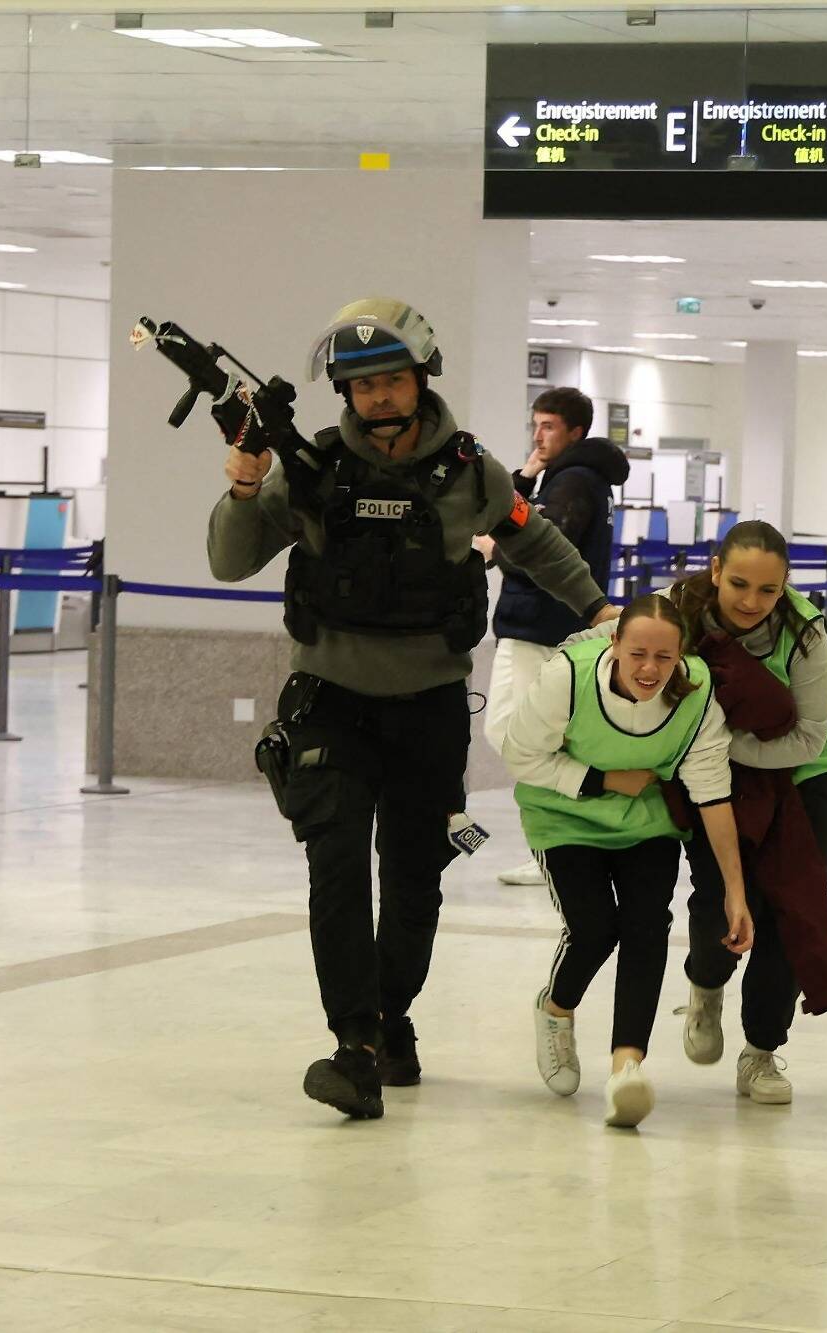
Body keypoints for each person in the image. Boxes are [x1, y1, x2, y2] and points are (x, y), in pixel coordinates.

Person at [209, 296, 617, 1121]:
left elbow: (532, 537)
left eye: (393, 381)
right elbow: (229, 559)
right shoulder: (313, 466)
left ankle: (394, 1017)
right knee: (334, 868)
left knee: (413, 880)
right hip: (331, 699)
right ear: (347, 395)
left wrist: (597, 607)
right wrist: (246, 486)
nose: (380, 398)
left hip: (428, 703)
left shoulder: (471, 473)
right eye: (364, 388)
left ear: (420, 379)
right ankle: (354, 1043)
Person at [501, 595, 752, 1129]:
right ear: (613, 645)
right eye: (637, 653)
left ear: (681, 655)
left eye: (664, 658)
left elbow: (712, 792)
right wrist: (603, 780)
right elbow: (519, 753)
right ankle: (556, 1010)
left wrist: (735, 888)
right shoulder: (567, 676)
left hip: (644, 820)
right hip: (562, 813)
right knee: (592, 930)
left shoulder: (697, 693)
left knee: (646, 927)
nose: (649, 669)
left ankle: (626, 1068)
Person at [669, 521, 827, 1106]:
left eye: (767, 591)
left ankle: (763, 1052)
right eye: (738, 583)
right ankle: (707, 983)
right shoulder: (680, 613)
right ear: (715, 570)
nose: (750, 601)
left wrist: (711, 743)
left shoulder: (805, 634)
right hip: (712, 778)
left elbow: (810, 739)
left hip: (803, 779)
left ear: (785, 587)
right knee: (720, 893)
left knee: (788, 910)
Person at [474, 386, 631, 888]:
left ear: (575, 433)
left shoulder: (573, 482)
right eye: (535, 424)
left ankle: (557, 843)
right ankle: (559, 842)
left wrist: (491, 550)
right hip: (545, 625)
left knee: (512, 735)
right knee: (530, 737)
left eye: (549, 427)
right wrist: (527, 472)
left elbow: (541, 546)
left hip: (540, 626)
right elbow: (516, 512)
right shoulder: (571, 477)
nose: (539, 436)